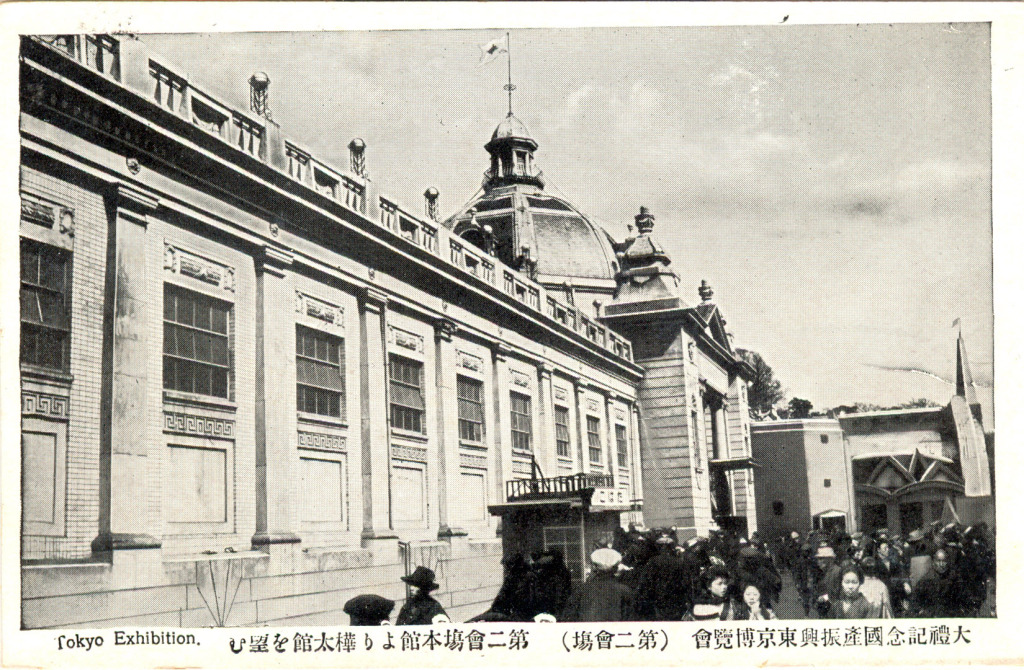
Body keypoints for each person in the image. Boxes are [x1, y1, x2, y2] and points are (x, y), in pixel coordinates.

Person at [562, 548, 635, 622]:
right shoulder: (625, 591)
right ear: (615, 568)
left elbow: (568, 618)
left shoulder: (581, 590)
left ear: (594, 567)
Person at [909, 548, 963, 617]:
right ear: (934, 562)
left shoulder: (953, 578)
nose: (941, 564)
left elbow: (960, 598)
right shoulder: (926, 579)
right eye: (938, 561)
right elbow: (915, 601)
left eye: (944, 561)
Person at [811, 545, 843, 618]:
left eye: (821, 559)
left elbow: (839, 591)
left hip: (833, 609)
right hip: (824, 608)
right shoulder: (822, 572)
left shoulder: (837, 571)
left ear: (829, 559)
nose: (818, 562)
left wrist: (825, 597)